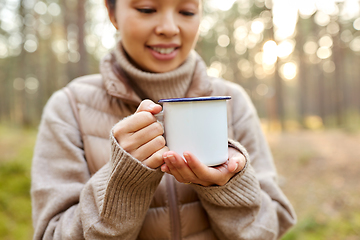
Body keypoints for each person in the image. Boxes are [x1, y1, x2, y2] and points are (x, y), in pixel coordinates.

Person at [31, 0, 296, 239]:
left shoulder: (232, 101)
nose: (169, 28)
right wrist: (122, 184)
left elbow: (271, 228)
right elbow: (51, 234)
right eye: (147, 9)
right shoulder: (70, 107)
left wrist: (229, 187)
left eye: (187, 11)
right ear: (112, 13)